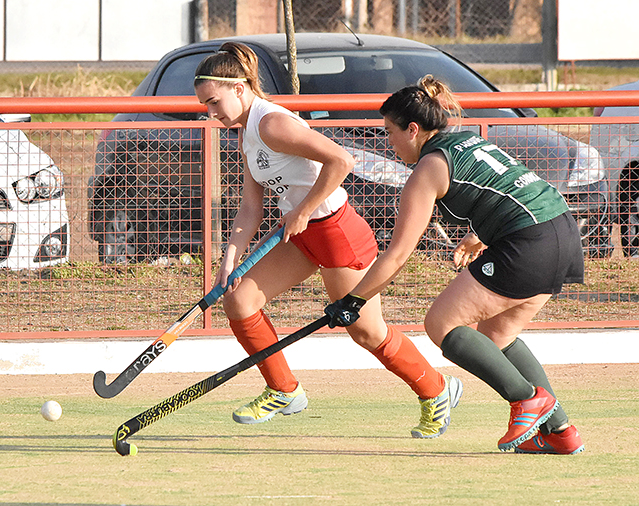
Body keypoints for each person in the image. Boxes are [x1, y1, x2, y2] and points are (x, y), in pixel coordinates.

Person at [194, 43, 462, 438]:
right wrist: (229, 259)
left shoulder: (272, 124)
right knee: (239, 300)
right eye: (206, 105)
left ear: (240, 88)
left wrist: (302, 210)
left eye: (214, 102)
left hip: (335, 232)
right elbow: (251, 207)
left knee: (367, 332)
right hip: (301, 236)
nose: (211, 112)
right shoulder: (245, 134)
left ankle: (436, 389)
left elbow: (342, 161)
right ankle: (284, 390)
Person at [325, 75, 585, 455]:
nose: (388, 142)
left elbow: (397, 254)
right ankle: (559, 431)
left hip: (529, 242)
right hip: (561, 230)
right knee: (497, 338)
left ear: (413, 129)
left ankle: (526, 400)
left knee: (441, 324)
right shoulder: (466, 139)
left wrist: (353, 300)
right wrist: (479, 233)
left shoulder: (429, 168)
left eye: (390, 132)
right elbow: (508, 187)